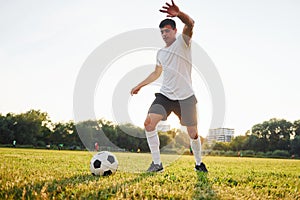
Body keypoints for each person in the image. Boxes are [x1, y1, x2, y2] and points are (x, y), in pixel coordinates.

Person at [131, 0, 208, 173]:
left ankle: (198, 163)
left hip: (186, 96)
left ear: (174, 30)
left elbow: (190, 24)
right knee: (149, 124)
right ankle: (157, 164)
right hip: (165, 96)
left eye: (167, 31)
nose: (164, 34)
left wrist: (179, 14)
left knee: (193, 133)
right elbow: (156, 73)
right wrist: (140, 85)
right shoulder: (161, 53)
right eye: (162, 32)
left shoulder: (183, 42)